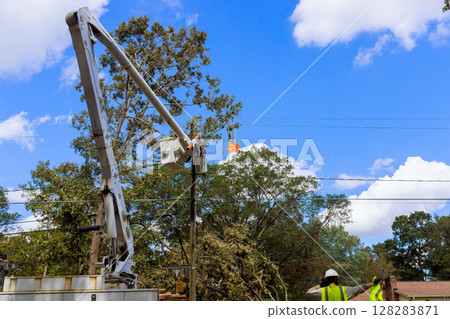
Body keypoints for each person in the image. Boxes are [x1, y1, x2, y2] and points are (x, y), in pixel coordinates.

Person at [306, 269, 381, 301]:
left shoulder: (321, 292)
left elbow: (308, 292)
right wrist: (372, 283)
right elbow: (360, 288)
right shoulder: (344, 290)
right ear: (336, 279)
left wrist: (320, 285)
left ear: (326, 279)